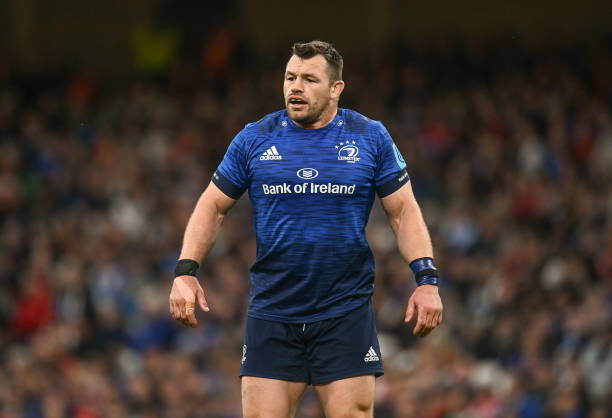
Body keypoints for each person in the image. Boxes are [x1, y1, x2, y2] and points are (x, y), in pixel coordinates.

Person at [169, 40, 443, 417]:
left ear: (336, 89)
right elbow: (212, 205)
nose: (295, 87)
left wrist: (426, 280)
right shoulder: (255, 138)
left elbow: (403, 212)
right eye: (289, 77)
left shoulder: (370, 136)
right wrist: (186, 271)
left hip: (344, 311)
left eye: (309, 79)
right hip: (273, 312)